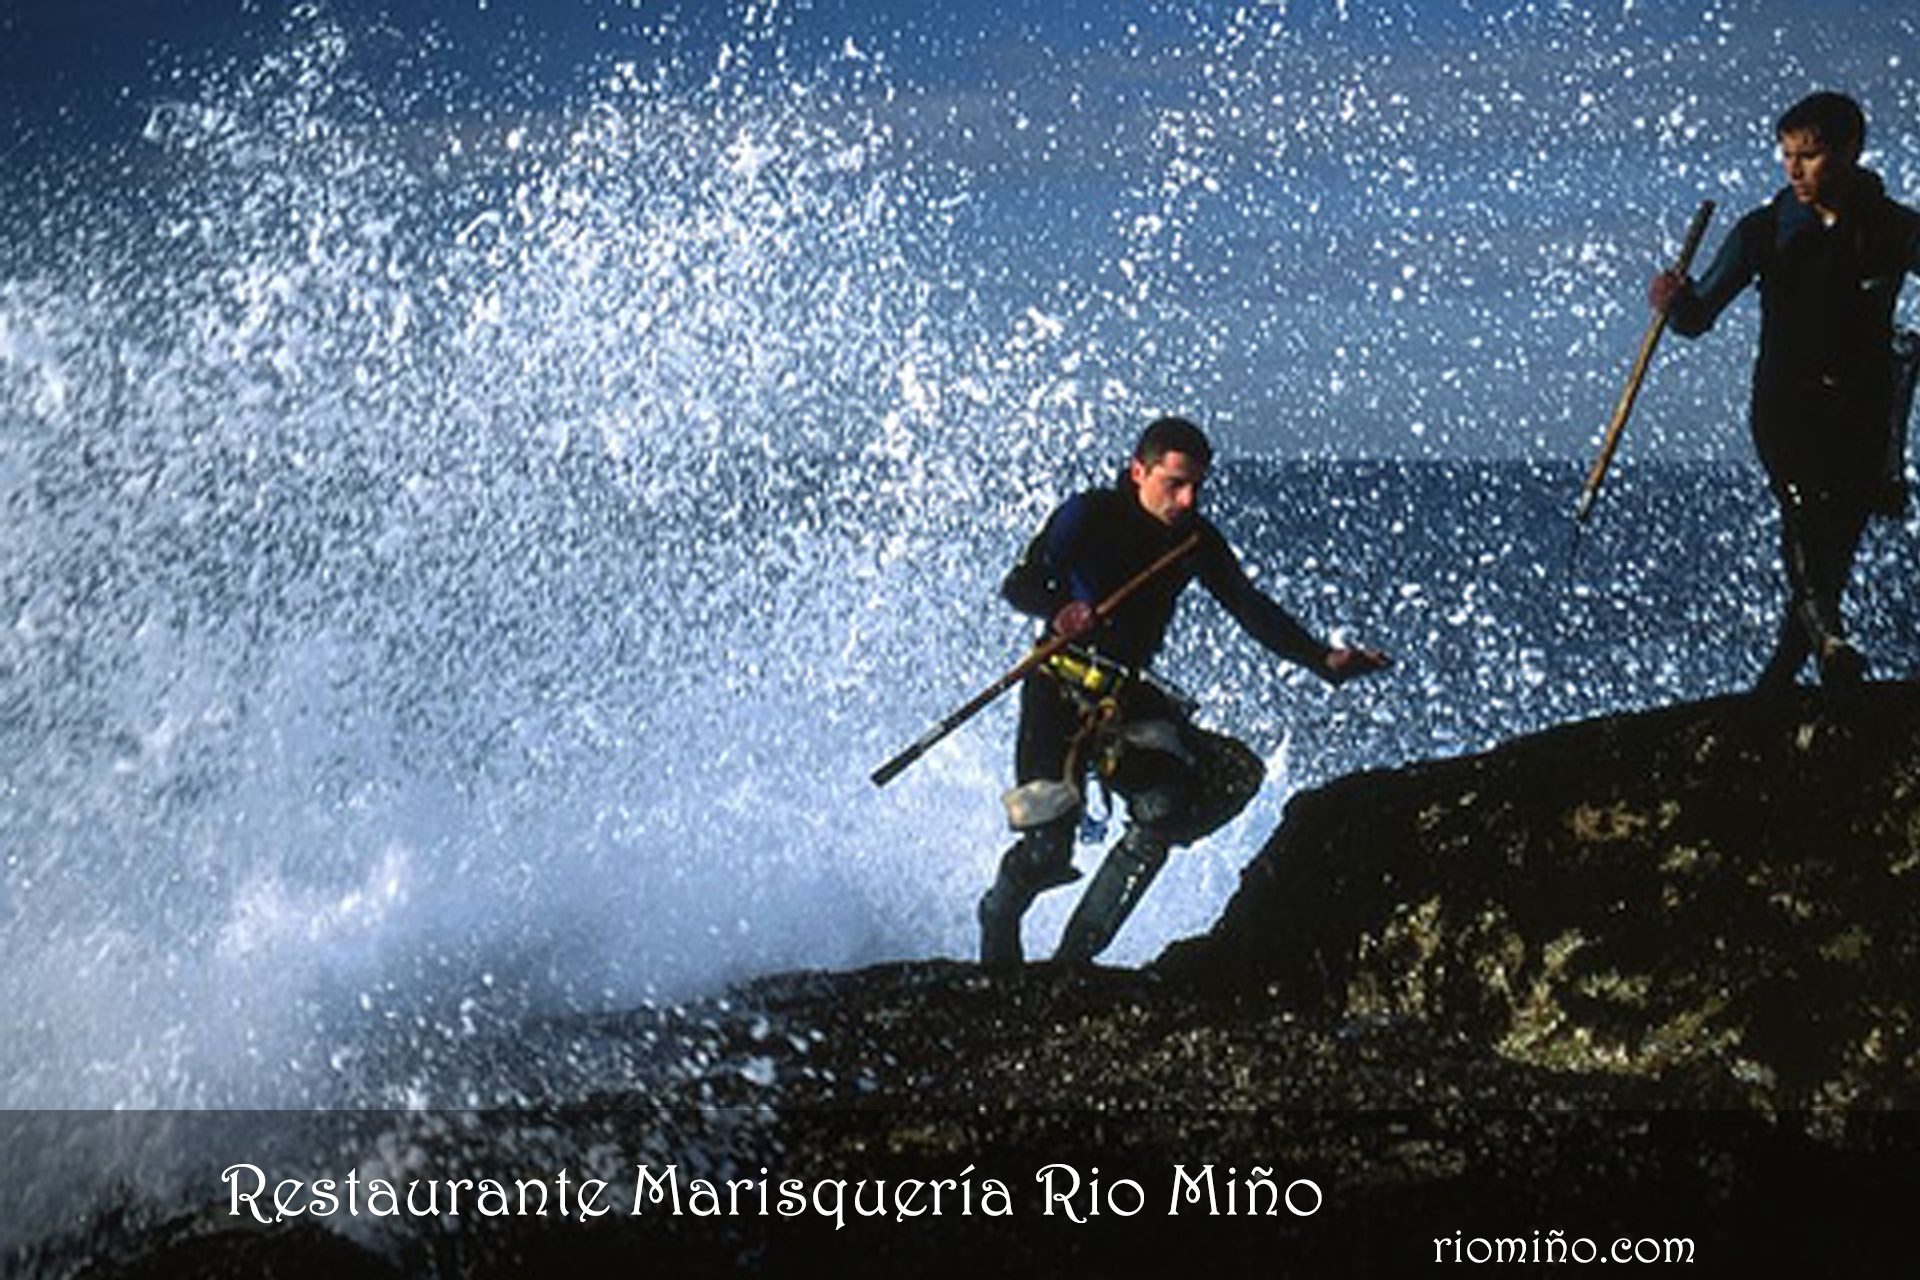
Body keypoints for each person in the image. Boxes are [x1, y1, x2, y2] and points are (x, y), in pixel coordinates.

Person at [977, 416, 1390, 967]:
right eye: (1175, 483)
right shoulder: (1088, 514)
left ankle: (1072, 964)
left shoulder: (1194, 540)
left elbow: (1249, 606)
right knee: (1048, 849)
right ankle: (998, 917)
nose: (1188, 498)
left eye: (1197, 485)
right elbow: (1020, 583)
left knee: (1166, 809)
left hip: (1123, 697)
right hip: (1056, 688)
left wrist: (1323, 660)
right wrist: (1060, 610)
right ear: (1138, 472)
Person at [1650, 90, 1920, 692]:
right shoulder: (1764, 231)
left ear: (1850, 152)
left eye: (1811, 155)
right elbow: (1698, 317)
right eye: (1787, 155)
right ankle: (1829, 642)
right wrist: (1672, 303)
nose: (1795, 169)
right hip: (1786, 404)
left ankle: (1780, 679)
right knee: (1802, 511)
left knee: (1837, 542)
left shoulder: (1894, 227)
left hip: (1864, 404)